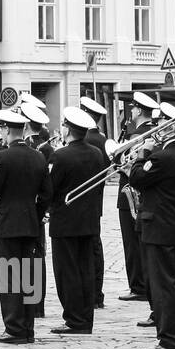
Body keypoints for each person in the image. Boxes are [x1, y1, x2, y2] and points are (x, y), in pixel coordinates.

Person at [130, 103, 175, 349]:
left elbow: (136, 178)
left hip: (158, 227)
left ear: (171, 127)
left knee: (162, 286)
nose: (156, 128)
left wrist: (141, 154)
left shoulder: (161, 156)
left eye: (160, 124)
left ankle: (169, 339)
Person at [0, 109, 51, 345]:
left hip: (9, 224)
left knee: (10, 277)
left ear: (7, 130)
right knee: (28, 277)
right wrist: (36, 214)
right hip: (31, 223)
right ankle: (28, 328)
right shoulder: (38, 157)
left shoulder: (3, 158)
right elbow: (46, 194)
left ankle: (13, 328)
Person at [46, 107, 107, 335]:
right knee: (86, 270)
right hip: (89, 221)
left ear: (68, 129)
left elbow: (50, 189)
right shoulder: (96, 153)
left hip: (65, 222)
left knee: (67, 273)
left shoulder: (60, 155)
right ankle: (85, 318)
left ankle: (73, 319)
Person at [117, 92, 158, 303]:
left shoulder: (138, 135)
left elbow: (130, 166)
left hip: (131, 193)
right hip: (143, 194)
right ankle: (142, 284)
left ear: (139, 110)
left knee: (132, 244)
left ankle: (138, 286)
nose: (130, 112)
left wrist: (122, 166)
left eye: (132, 108)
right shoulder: (150, 132)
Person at [19, 100, 53, 319]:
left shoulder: (36, 148)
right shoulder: (44, 146)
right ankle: (36, 304)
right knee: (35, 256)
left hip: (26, 211)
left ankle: (30, 303)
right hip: (36, 211)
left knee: (27, 258)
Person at [79, 96, 110, 309]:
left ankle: (91, 293)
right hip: (96, 200)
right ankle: (97, 293)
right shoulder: (103, 139)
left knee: (86, 250)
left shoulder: (86, 141)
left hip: (80, 202)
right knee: (95, 247)